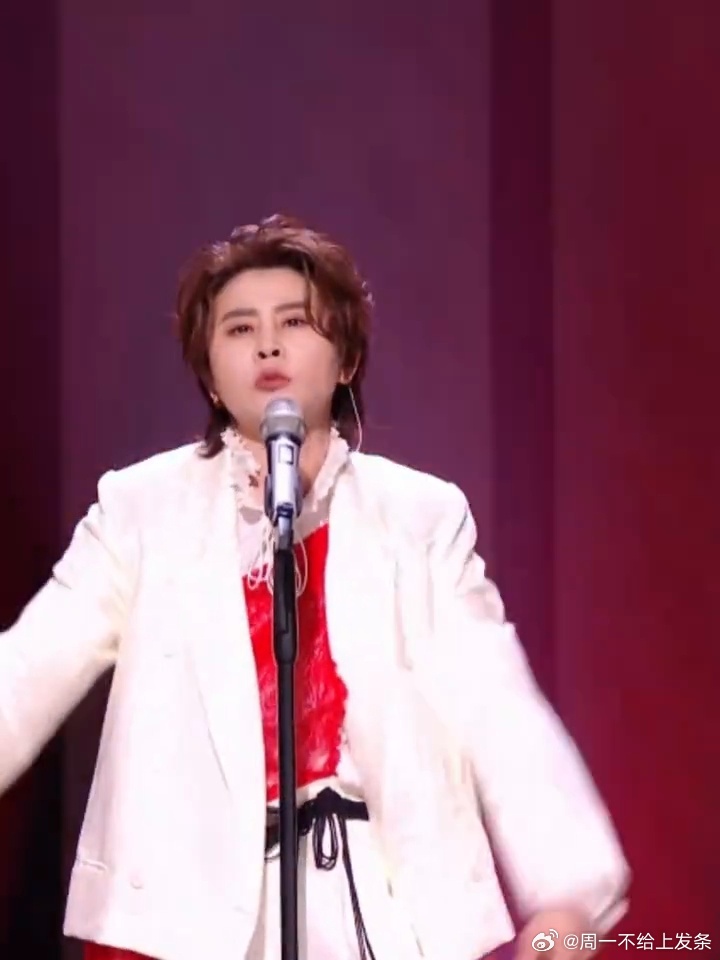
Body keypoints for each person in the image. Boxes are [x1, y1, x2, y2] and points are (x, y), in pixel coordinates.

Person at [0, 214, 629, 960]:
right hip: (186, 915)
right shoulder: (142, 510)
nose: (267, 345)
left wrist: (567, 890)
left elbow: (494, 700)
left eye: (294, 322)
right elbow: (30, 667)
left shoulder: (419, 518)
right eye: (239, 328)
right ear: (209, 372)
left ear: (346, 358)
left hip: (371, 911)